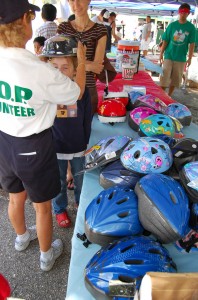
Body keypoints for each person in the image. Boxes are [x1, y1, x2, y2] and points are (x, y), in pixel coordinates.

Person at [0, 0, 86, 271]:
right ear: (25, 21)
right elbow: (76, 94)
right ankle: (47, 255)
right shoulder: (40, 70)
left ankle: (22, 238)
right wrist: (81, 61)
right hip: (33, 145)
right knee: (42, 206)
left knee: (15, 197)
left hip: (4, 140)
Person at [41, 35, 92, 227]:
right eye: (55, 67)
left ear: (74, 69)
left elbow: (87, 118)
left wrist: (85, 143)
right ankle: (59, 209)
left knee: (81, 180)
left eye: (65, 67)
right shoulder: (46, 91)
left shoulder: (80, 90)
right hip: (55, 147)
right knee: (59, 183)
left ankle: (80, 203)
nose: (60, 72)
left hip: (78, 146)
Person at [57, 0, 107, 115]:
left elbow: (97, 67)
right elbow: (59, 63)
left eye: (80, 0)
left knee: (86, 131)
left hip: (88, 90)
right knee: (66, 129)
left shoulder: (100, 30)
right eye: (71, 1)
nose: (76, 5)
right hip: (66, 90)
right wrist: (84, 63)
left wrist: (70, 64)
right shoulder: (63, 28)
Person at [159, 3, 196, 97]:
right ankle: (161, 95)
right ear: (179, 12)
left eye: (186, 12)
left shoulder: (191, 28)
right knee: (164, 77)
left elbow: (192, 43)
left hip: (181, 57)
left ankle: (169, 95)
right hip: (169, 55)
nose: (183, 14)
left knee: (175, 79)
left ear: (188, 13)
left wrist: (190, 58)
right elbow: (165, 40)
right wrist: (161, 53)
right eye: (182, 12)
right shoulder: (172, 25)